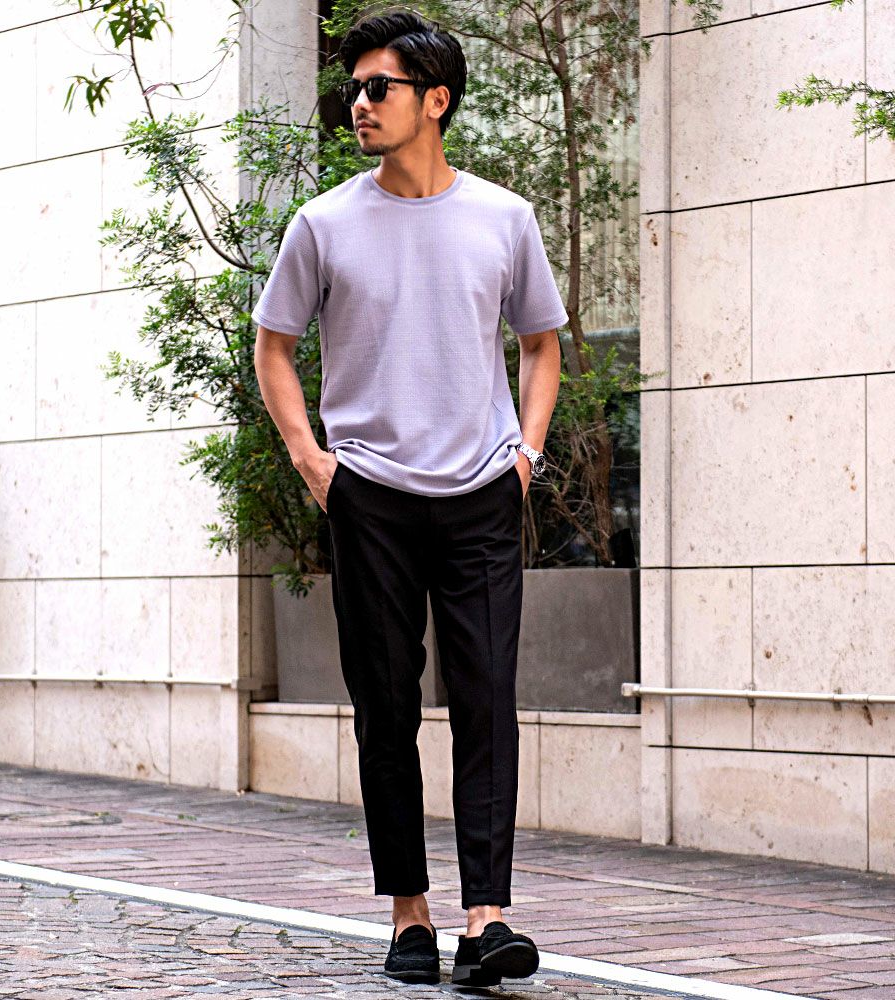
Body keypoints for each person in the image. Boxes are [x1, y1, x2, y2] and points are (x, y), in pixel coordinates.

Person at [252, 8, 568, 988]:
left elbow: (541, 342)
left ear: (435, 100)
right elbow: (274, 346)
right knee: (385, 710)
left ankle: (487, 921)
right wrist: (313, 462)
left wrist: (525, 454)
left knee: (486, 705)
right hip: (371, 498)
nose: (359, 103)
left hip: (481, 495)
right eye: (353, 89)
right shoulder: (324, 224)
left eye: (378, 87)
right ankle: (410, 919)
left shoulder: (504, 218)